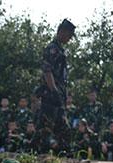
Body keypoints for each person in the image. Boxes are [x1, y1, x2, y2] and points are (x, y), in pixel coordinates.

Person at [37, 19, 76, 155]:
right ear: (62, 32)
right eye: (69, 35)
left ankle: (65, 156)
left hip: (57, 94)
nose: (70, 39)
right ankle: (42, 156)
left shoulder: (59, 49)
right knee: (47, 128)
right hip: (51, 95)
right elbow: (47, 71)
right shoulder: (52, 49)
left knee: (62, 128)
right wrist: (54, 91)